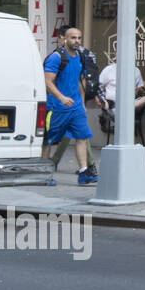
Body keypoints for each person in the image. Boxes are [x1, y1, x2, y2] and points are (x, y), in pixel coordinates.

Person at [41, 27, 99, 185]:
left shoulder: (81, 56)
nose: (77, 41)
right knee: (48, 141)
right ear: (64, 39)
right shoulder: (56, 57)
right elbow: (47, 82)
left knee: (82, 137)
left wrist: (82, 103)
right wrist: (61, 97)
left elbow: (81, 81)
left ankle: (84, 172)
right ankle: (44, 175)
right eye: (73, 38)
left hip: (75, 108)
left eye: (79, 38)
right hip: (57, 108)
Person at [98, 58, 145, 143]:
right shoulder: (108, 70)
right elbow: (99, 88)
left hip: (131, 103)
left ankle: (124, 110)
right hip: (113, 104)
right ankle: (121, 110)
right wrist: (103, 101)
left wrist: (137, 90)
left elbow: (140, 89)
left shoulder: (136, 70)